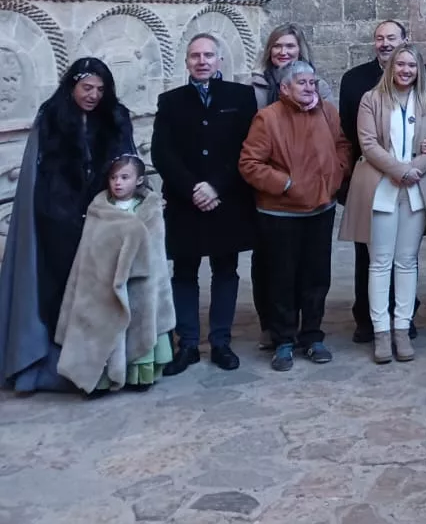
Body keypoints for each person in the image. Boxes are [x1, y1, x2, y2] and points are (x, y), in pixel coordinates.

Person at [0, 57, 135, 392]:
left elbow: (128, 165)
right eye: (86, 88)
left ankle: (100, 366)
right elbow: (36, 170)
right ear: (72, 86)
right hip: (56, 221)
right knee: (58, 294)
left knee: (100, 295)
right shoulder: (51, 116)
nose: (92, 95)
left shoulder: (117, 117)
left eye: (100, 90)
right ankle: (55, 366)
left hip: (103, 220)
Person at [151, 34, 258, 375]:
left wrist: (216, 186)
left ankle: (222, 342)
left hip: (225, 200)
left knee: (225, 271)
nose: (202, 61)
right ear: (186, 62)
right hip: (186, 201)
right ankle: (188, 344)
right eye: (195, 56)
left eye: (208, 55)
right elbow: (162, 153)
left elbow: (246, 147)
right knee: (184, 273)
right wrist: (192, 188)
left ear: (219, 60)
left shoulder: (240, 97)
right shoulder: (170, 101)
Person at [239, 60, 353, 372]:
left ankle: (313, 336)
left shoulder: (328, 112)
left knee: (316, 277)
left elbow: (342, 146)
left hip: (320, 208)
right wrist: (285, 183)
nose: (308, 87)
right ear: (285, 87)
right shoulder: (268, 118)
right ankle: (284, 341)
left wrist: (335, 175)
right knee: (282, 279)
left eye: (312, 82)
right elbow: (250, 163)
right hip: (280, 213)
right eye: (301, 83)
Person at [337, 20, 426, 345]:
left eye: (411, 64)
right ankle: (379, 328)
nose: (406, 69)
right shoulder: (370, 97)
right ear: (391, 64)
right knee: (378, 262)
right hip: (380, 187)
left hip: (415, 187)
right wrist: (399, 170)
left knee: (407, 261)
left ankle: (403, 325)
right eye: (400, 63)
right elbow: (366, 143)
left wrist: (416, 167)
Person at [54, 154, 175, 393]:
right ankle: (101, 378)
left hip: (141, 280)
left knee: (139, 322)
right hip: (105, 279)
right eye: (113, 177)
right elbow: (89, 248)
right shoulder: (99, 210)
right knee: (105, 324)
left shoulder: (150, 210)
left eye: (124, 177)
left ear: (139, 180)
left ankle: (138, 375)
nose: (117, 183)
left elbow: (155, 249)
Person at [253, 24, 334, 111]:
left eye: (290, 46)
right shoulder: (254, 85)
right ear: (270, 50)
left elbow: (331, 121)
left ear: (300, 50)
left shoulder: (318, 87)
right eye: (277, 46)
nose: (283, 52)